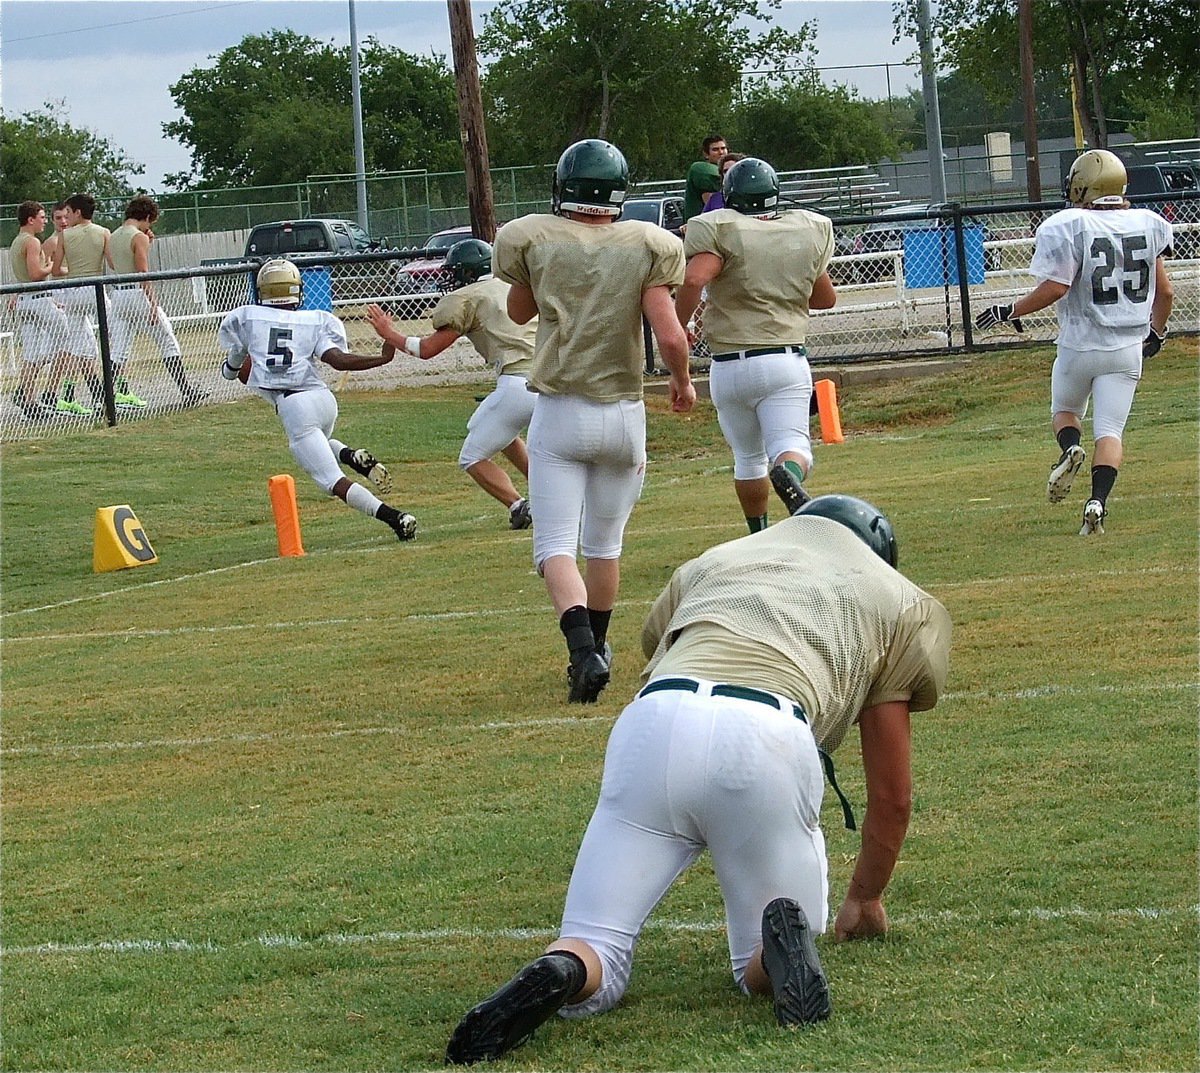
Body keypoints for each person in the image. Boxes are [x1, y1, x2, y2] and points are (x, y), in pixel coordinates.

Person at [445, 493, 951, 1065]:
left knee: (597, 943)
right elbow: (892, 795)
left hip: (654, 722)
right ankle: (778, 950)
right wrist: (865, 897)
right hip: (767, 734)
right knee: (756, 962)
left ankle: (564, 966)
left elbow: (656, 643)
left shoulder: (721, 556)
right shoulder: (901, 601)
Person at [493, 138, 695, 704]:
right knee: (605, 547)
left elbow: (517, 311)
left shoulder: (532, 236)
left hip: (560, 412)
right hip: (624, 416)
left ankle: (582, 653)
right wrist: (680, 381)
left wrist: (555, 280)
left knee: (555, 545)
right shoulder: (649, 243)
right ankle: (600, 649)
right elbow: (672, 334)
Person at [975, 148, 1174, 536]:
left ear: (1083, 185)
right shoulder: (1149, 223)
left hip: (1079, 345)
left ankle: (1069, 449)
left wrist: (1009, 310)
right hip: (1126, 348)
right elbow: (1164, 292)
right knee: (1110, 432)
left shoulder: (1067, 224)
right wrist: (1158, 333)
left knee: (1065, 412)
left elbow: (1056, 286)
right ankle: (1097, 501)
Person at [675, 157, 837, 533]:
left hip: (729, 365)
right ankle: (787, 472)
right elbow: (825, 298)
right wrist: (782, 290)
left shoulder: (721, 229)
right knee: (793, 447)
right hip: (783, 359)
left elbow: (694, 278)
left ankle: (758, 533)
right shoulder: (804, 229)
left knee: (747, 459)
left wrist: (681, 321)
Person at [218, 258, 418, 542]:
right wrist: (381, 358)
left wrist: (230, 366)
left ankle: (395, 517)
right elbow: (338, 360)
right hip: (323, 399)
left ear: (263, 290)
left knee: (331, 481)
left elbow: (234, 370)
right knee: (322, 444)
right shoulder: (313, 320)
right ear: (296, 290)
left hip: (295, 407)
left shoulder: (248, 319)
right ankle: (349, 455)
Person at [366, 238, 536, 530]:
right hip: (550, 379)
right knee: (495, 431)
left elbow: (427, 350)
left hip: (517, 384)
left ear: (466, 272)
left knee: (471, 456)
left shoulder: (469, 297)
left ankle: (519, 504)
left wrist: (389, 333)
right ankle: (548, 495)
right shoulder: (515, 287)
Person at [108, 195, 208, 408]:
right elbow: (143, 271)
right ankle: (187, 390)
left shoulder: (114, 236)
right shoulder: (138, 236)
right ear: (146, 217)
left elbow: (118, 264)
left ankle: (105, 396)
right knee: (166, 340)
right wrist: (153, 304)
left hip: (118, 295)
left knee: (119, 350)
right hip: (137, 294)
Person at [49, 192, 111, 416]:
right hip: (95, 288)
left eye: (69, 213)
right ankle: (111, 391)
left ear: (77, 212)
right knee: (111, 336)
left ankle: (69, 393)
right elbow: (112, 262)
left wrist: (73, 270)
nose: (67, 219)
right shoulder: (103, 232)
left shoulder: (65, 236)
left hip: (75, 290)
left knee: (76, 346)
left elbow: (56, 271)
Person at [8, 201, 68, 421]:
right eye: (42, 217)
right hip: (37, 300)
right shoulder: (31, 242)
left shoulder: (17, 241)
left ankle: (27, 397)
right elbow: (34, 274)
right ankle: (44, 392)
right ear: (31, 219)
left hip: (26, 301)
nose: (45, 221)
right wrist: (52, 265)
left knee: (31, 353)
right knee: (67, 338)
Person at [683, 134, 728, 222]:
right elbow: (715, 209)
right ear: (706, 154)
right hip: (704, 226)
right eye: (715, 149)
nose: (721, 152)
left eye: (723, 148)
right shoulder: (702, 170)